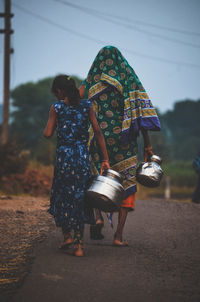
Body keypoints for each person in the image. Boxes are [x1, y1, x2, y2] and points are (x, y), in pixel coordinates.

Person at [79, 46, 161, 246]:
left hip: (99, 140)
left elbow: (77, 103)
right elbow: (139, 115)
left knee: (97, 178)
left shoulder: (91, 81)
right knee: (126, 185)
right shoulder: (129, 79)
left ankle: (97, 216)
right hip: (124, 141)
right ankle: (118, 235)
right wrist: (148, 146)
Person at [43, 75, 110, 257]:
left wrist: (55, 123)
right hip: (81, 157)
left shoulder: (56, 108)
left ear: (59, 91)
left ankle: (67, 237)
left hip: (64, 158)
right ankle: (79, 247)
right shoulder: (87, 106)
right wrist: (105, 158)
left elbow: (48, 133)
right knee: (80, 197)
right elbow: (97, 131)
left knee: (63, 194)